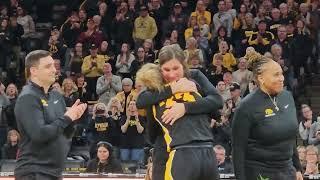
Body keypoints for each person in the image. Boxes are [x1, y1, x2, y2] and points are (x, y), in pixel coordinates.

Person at [136, 44, 222, 180]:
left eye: (176, 68)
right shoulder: (156, 86)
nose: (172, 74)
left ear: (184, 65)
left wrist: (185, 108)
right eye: (166, 69)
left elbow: (217, 101)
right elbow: (140, 101)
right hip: (166, 146)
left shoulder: (195, 76)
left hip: (197, 145)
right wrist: (173, 89)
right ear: (160, 69)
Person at [14, 50, 87, 180]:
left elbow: (66, 133)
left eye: (54, 65)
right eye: (48, 66)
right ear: (34, 71)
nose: (54, 70)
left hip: (54, 172)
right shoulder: (28, 97)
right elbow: (39, 134)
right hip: (34, 172)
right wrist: (67, 117)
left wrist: (74, 118)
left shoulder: (57, 96)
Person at [232, 48, 303, 180]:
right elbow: (238, 150)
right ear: (261, 78)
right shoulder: (246, 106)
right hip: (259, 172)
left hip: (287, 171)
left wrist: (297, 168)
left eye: (281, 73)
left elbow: (290, 137)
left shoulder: (287, 97)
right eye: (276, 75)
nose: (282, 78)